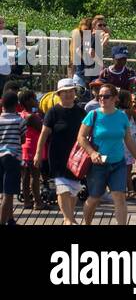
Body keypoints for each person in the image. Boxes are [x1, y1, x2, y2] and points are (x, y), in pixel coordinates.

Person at [78, 84, 136, 226]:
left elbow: (128, 139)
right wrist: (92, 153)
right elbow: (81, 137)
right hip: (98, 164)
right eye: (100, 96)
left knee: (119, 197)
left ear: (115, 98)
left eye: (106, 96)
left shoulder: (122, 116)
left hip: (118, 163)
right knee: (94, 198)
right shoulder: (93, 115)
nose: (102, 99)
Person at [35, 79, 85, 225]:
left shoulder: (81, 111)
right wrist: (38, 153)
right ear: (59, 94)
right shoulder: (53, 112)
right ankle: (69, 219)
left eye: (71, 91)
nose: (69, 94)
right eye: (65, 92)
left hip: (76, 157)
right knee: (62, 188)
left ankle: (67, 217)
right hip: (57, 156)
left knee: (74, 190)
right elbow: (44, 134)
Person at [0, 90, 23, 226]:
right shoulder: (19, 120)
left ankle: (10, 220)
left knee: (3, 191)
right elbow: (23, 138)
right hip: (12, 158)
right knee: (9, 194)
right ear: (16, 105)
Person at [17, 89, 42, 210]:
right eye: (34, 98)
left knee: (25, 176)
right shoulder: (32, 117)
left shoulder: (21, 114)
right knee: (35, 176)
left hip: (24, 148)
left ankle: (27, 201)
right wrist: (40, 111)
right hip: (32, 148)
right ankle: (38, 202)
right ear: (27, 101)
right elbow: (43, 129)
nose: (36, 100)